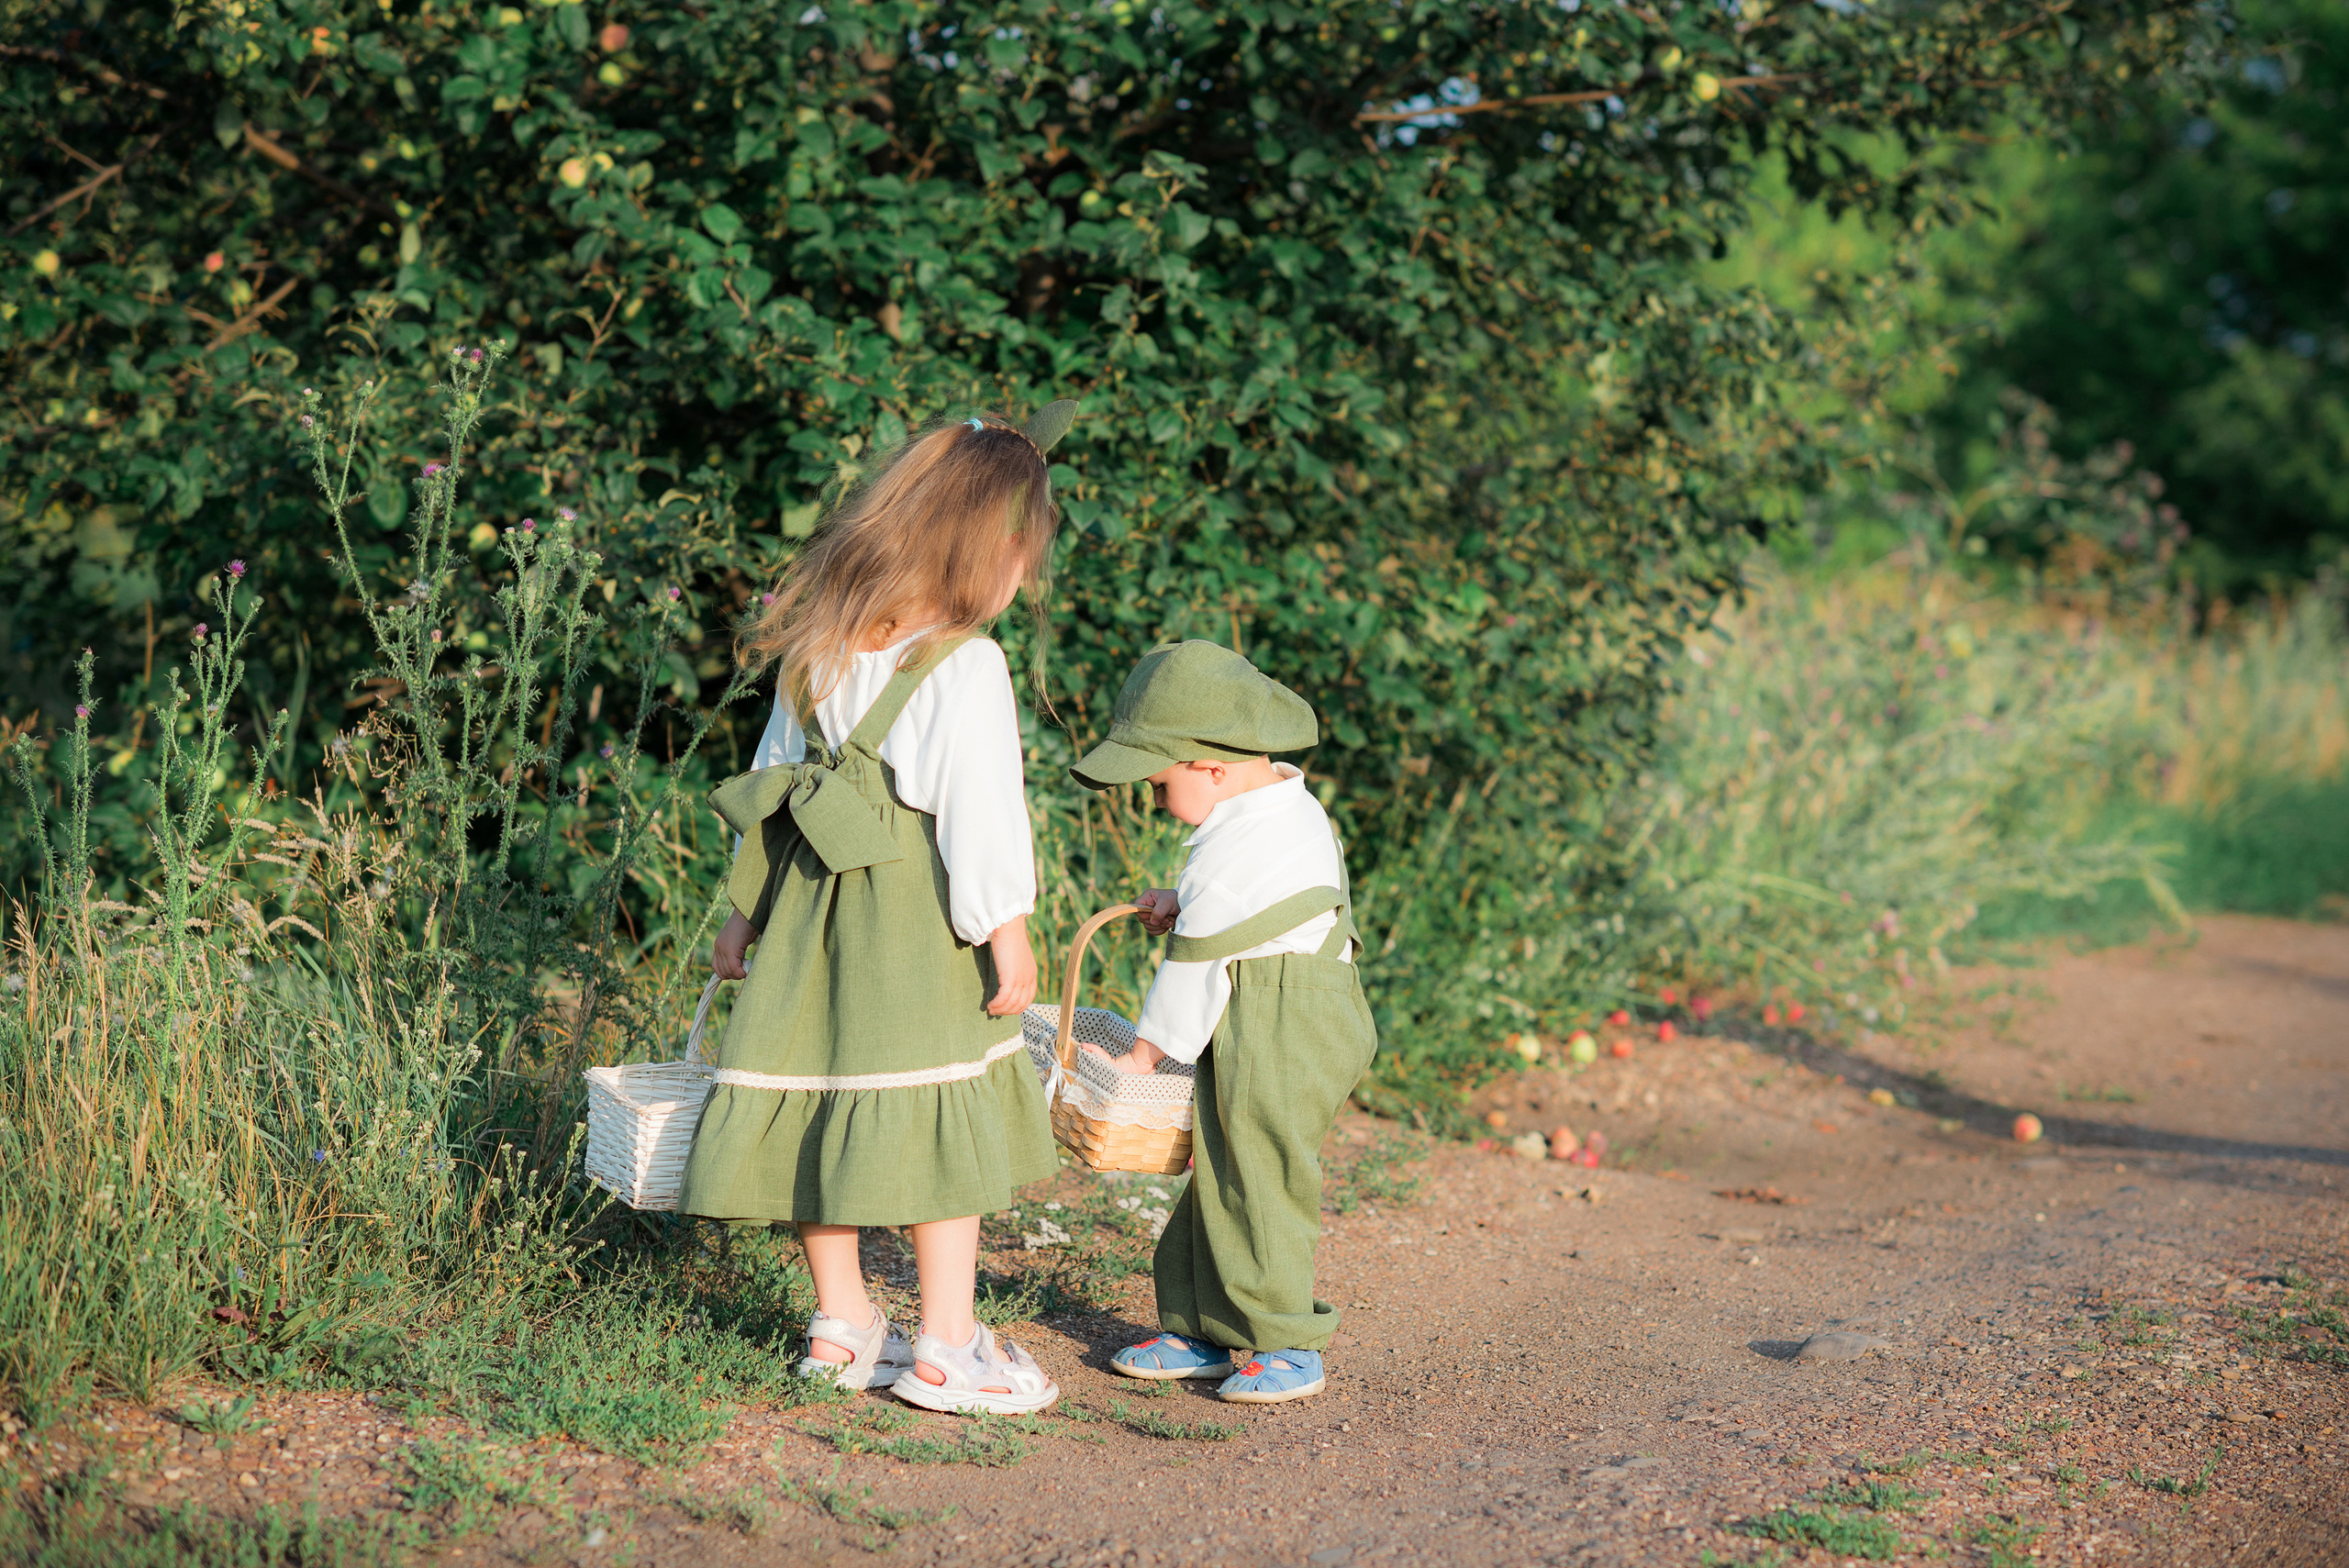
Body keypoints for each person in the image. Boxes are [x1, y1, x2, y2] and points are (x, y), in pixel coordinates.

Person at [680, 405, 1080, 1416]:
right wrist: (1007, 930)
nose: (1023, 580)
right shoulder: (962, 663)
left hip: (809, 911)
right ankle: (944, 1343)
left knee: (818, 1100)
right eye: (1023, 556)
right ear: (983, 545)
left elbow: (774, 787)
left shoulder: (819, 645)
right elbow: (982, 812)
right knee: (934, 1109)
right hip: (914, 921)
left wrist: (743, 914)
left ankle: (841, 1323)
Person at [1066, 641, 1379, 1404]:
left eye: (1160, 781)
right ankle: (1204, 1323)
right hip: (1281, 1003)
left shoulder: (1244, 843)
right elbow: (1254, 910)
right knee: (1222, 1162)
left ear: (1211, 767)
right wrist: (1185, 895)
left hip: (1287, 1019)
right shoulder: (1275, 806)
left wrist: (1143, 1055)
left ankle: (1284, 1339)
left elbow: (1195, 968)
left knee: (1261, 1177)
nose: (1154, 797)